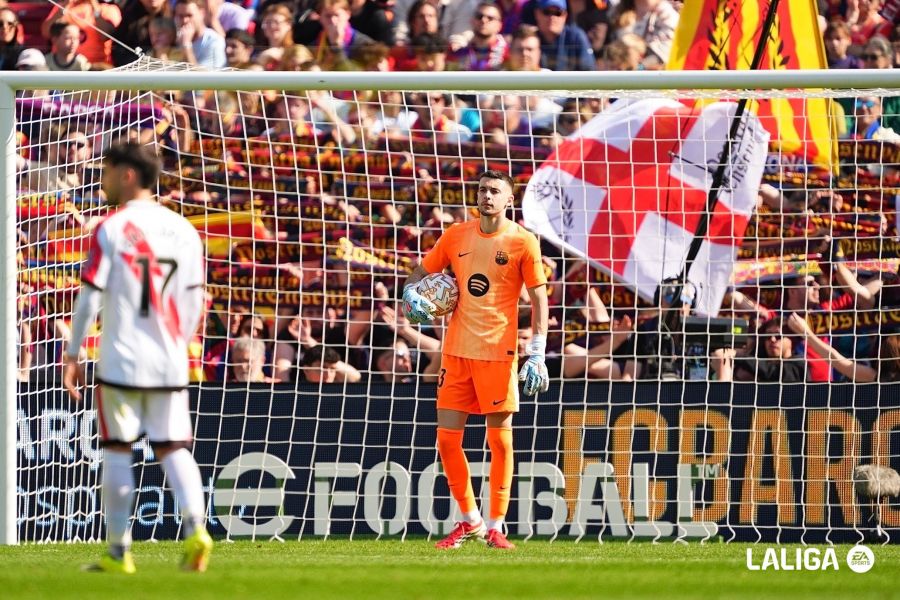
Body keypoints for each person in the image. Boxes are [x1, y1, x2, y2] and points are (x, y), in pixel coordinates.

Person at [62, 142, 213, 574]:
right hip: (170, 358)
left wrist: (73, 352)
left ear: (127, 175)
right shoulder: (184, 229)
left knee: (116, 447)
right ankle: (197, 531)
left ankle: (118, 553)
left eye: (107, 171)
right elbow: (195, 300)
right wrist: (178, 342)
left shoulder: (111, 227)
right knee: (173, 446)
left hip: (121, 358)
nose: (103, 180)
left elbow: (90, 296)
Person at [402, 169, 549, 550]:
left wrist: (537, 351)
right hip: (456, 353)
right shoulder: (456, 235)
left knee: (500, 442)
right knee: (446, 441)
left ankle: (497, 526)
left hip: (498, 354)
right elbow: (420, 272)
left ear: (509, 200)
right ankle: (471, 521)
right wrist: (410, 293)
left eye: (495, 191)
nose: (486, 196)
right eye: (482, 189)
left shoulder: (523, 242)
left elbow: (539, 299)